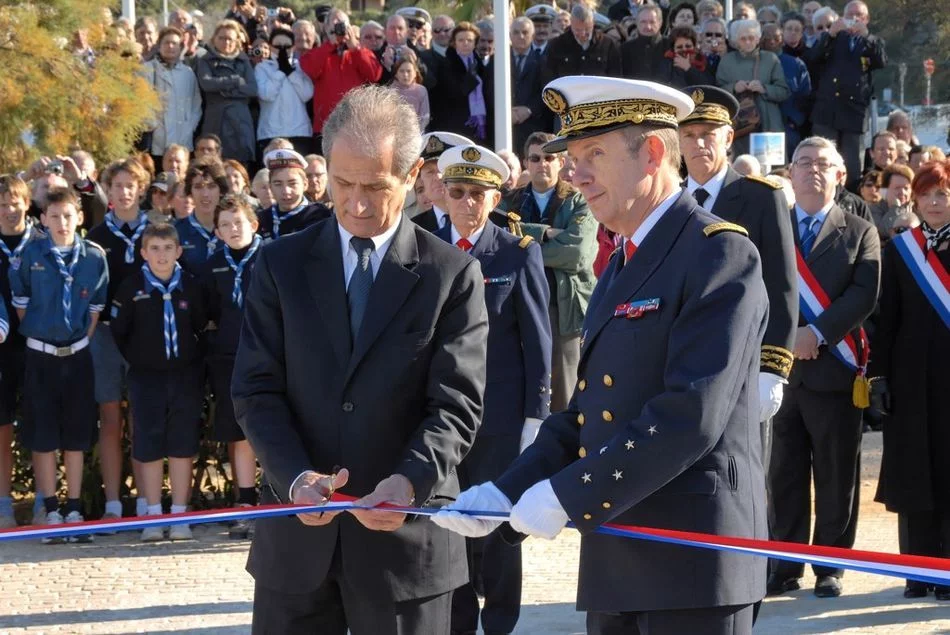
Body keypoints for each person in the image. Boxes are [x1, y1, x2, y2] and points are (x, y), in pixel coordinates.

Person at [436, 74, 770, 633]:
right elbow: (585, 415)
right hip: (616, 548)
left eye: (594, 153)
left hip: (692, 556)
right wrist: (506, 488)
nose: (574, 171)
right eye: (572, 155)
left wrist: (566, 495)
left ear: (654, 153)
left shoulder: (720, 255)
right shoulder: (620, 264)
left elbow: (690, 415)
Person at [231, 84, 488, 635]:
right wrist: (294, 475)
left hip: (405, 548)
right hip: (296, 546)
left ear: (417, 174)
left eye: (376, 186)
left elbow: (456, 405)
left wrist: (410, 480)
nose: (358, 204)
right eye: (343, 184)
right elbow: (256, 389)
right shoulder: (280, 265)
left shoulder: (451, 275)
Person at [432, 143, 552, 635]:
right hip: (440, 417)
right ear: (444, 194)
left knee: (503, 526)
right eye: (457, 192)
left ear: (494, 196)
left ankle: (501, 622)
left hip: (501, 419)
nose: (466, 203)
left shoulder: (517, 252)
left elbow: (538, 341)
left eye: (476, 193)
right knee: (450, 525)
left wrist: (535, 419)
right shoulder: (423, 246)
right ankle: (459, 623)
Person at [768, 136, 881, 599]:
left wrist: (814, 335)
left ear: (840, 175)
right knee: (783, 471)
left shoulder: (860, 230)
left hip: (834, 371)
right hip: (780, 372)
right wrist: (786, 338)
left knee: (837, 474)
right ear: (790, 173)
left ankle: (831, 564)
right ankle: (785, 561)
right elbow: (762, 289)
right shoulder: (771, 228)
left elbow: (864, 294)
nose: (812, 169)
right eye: (803, 162)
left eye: (823, 163)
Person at [680, 85, 799, 469]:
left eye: (708, 135)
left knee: (742, 474)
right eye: (689, 134)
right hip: (682, 361)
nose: (699, 144)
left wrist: (773, 368)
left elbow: (781, 285)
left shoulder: (761, 197)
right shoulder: (668, 201)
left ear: (729, 138)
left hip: (743, 361)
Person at [870, 159, 950, 600]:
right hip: (911, 381)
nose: (934, 202)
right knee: (915, 474)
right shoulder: (901, 249)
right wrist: (878, 376)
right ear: (914, 199)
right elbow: (887, 321)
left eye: (942, 194)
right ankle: (918, 571)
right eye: (927, 194)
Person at [11, 187, 108, 542]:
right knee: (44, 436)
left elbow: (95, 310)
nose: (62, 222)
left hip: (78, 356)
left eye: (68, 215)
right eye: (54, 216)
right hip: (40, 356)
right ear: (43, 220)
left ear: (80, 217)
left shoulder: (94, 258)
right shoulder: (29, 255)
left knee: (77, 435)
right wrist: (45, 335)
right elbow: (22, 305)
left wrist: (75, 340)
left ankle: (74, 507)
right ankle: (50, 509)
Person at [109, 222, 207, 542]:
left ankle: (179, 514)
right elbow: (119, 332)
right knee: (148, 444)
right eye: (154, 248)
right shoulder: (131, 288)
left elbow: (202, 324)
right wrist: (142, 358)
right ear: (143, 253)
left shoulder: (191, 287)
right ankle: (152, 513)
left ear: (179, 251)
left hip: (184, 375)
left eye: (168, 248)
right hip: (146, 377)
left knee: (182, 443)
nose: (161, 255)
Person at [499, 131, 598, 413]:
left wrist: (525, 243)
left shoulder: (579, 199)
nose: (542, 163)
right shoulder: (509, 202)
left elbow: (576, 254)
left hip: (564, 306)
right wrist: (546, 233)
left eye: (549, 157)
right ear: (526, 163)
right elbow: (501, 243)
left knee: (564, 396)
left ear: (561, 162)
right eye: (535, 158)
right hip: (518, 304)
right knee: (519, 388)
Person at [86, 159, 153, 521]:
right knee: (109, 416)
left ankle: (147, 500)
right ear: (108, 192)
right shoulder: (97, 237)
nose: (124, 191)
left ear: (141, 189)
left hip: (146, 335)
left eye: (131, 185)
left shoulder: (158, 231)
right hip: (108, 335)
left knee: (143, 415)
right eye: (117, 186)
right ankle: (113, 503)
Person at [200, 194, 264, 539]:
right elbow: (207, 312)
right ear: (218, 232)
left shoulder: (272, 258)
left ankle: (276, 502)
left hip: (269, 358)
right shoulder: (212, 266)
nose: (233, 229)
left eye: (238, 222)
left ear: (253, 224)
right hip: (229, 359)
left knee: (269, 428)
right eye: (225, 225)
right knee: (239, 432)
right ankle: (245, 503)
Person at [0, 175, 43, 529]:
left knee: (41, 426)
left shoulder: (43, 242)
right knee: (1, 428)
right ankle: (4, 504)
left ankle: (47, 501)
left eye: (14, 202)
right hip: (1, 351)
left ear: (27, 203)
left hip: (39, 347)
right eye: (1, 204)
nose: (9, 210)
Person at [809, 1, 886, 191]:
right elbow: (812, 58)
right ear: (842, 17)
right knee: (823, 158)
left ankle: (851, 199)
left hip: (855, 113)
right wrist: (830, 34)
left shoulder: (871, 41)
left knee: (852, 164)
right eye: (850, 15)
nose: (854, 18)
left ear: (866, 19)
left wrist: (866, 36)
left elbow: (881, 60)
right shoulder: (834, 39)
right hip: (828, 112)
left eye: (859, 15)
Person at [299, 9, 383, 154]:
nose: (339, 26)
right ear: (326, 28)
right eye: (335, 22)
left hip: (356, 126)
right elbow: (310, 68)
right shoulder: (319, 53)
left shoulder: (360, 52)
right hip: (325, 126)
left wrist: (355, 48)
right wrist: (330, 45)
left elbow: (374, 75)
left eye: (343, 22)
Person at [716, 19, 790, 156]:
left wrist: (764, 88)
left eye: (751, 38)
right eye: (743, 39)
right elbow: (718, 92)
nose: (748, 42)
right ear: (736, 41)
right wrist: (733, 88)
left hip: (768, 123)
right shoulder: (727, 61)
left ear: (758, 39)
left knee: (772, 171)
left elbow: (784, 91)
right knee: (740, 168)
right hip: (738, 126)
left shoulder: (770, 59)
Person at [197, 20, 258, 166]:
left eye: (230, 38)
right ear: (214, 39)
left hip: (241, 120)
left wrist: (222, 87)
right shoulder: (205, 60)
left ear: (236, 41)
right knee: (214, 164)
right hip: (216, 119)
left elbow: (252, 89)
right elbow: (207, 84)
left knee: (241, 165)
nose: (226, 42)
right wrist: (235, 80)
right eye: (222, 38)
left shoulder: (244, 61)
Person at [144, 27, 202, 168]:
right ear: (159, 45)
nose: (170, 46)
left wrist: (190, 126)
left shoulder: (187, 73)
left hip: (183, 138)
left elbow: (196, 104)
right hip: (157, 141)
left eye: (174, 43)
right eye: (166, 43)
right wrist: (152, 124)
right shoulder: (148, 69)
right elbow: (142, 102)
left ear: (181, 46)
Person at [255, 27, 315, 159]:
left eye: (287, 46)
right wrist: (280, 72)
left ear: (293, 47)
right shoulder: (262, 68)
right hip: (270, 133)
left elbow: (307, 94)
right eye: (278, 46)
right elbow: (266, 94)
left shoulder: (301, 67)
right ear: (270, 47)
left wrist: (291, 72)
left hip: (300, 132)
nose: (282, 50)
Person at [431, 22, 492, 145]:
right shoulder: (446, 63)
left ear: (475, 43)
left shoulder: (479, 63)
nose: (465, 43)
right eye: (461, 40)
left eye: (469, 40)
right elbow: (455, 93)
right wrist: (471, 77)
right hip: (456, 125)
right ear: (454, 42)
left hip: (481, 124)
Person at [760, 23, 811, 158]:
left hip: (787, 130)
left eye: (776, 38)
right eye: (766, 37)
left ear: (782, 40)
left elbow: (805, 96)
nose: (771, 41)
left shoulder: (795, 64)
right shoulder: (752, 62)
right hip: (758, 128)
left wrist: (794, 121)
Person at [256, 149, 331, 240]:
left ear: (305, 184)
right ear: (270, 187)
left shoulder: (318, 214)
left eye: (292, 183)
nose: (286, 191)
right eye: (278, 184)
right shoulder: (263, 218)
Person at [412, 131, 474, 233]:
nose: (438, 177)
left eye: (443, 170)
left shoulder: (497, 223)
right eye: (430, 172)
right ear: (421, 179)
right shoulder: (412, 230)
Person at [546, 5, 622, 83]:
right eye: (577, 30)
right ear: (571, 23)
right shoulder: (556, 45)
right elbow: (548, 79)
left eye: (587, 29)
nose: (582, 34)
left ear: (593, 23)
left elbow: (616, 79)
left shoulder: (608, 44)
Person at [176, 160, 228, 272]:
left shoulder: (233, 228)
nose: (205, 194)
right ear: (190, 191)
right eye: (198, 187)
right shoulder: (177, 231)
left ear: (221, 191)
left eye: (212, 186)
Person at [510, 17, 548, 158]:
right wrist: (506, 111)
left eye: (525, 32)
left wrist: (529, 109)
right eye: (516, 32)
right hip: (504, 126)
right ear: (509, 35)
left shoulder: (543, 59)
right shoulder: (498, 60)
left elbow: (545, 91)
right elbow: (489, 90)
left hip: (532, 126)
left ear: (532, 36)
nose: (520, 36)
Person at [621, 5, 669, 81]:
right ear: (636, 23)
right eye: (643, 22)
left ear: (660, 23)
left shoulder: (671, 46)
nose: (648, 26)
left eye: (652, 22)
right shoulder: (624, 49)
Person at [869, 164, 915, 243]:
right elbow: (882, 232)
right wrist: (895, 209)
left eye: (906, 188)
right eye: (897, 188)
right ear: (884, 190)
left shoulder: (918, 209)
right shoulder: (873, 210)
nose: (902, 192)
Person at [390, 55, 430, 131]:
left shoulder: (421, 90)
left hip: (417, 133)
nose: (405, 75)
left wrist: (417, 134)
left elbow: (425, 116)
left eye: (409, 71)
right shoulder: (391, 91)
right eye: (401, 71)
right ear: (396, 74)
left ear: (415, 73)